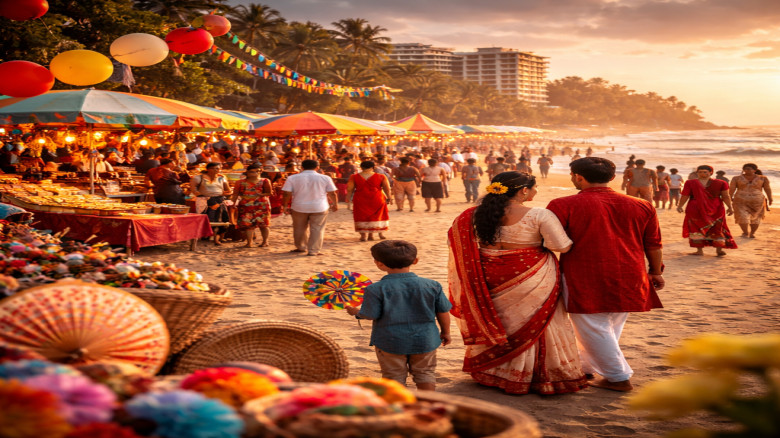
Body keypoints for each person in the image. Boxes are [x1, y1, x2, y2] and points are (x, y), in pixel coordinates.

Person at [448, 171, 588, 395]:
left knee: (501, 320)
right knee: (538, 322)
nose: (535, 191)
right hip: (531, 275)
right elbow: (561, 246)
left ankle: (494, 371)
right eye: (534, 187)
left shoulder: (473, 215)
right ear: (524, 190)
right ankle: (533, 376)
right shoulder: (539, 215)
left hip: (487, 276)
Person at [547, 157, 664, 392]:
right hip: (631, 272)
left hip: (585, 273)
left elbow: (550, 242)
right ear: (612, 177)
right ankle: (586, 367)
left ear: (578, 176)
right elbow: (653, 244)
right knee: (610, 324)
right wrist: (654, 271)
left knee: (592, 325)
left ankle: (618, 377)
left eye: (573, 175)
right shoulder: (642, 205)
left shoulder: (562, 204)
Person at [346, 240, 452, 391]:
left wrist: (355, 312)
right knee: (425, 373)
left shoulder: (375, 289)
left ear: (379, 264)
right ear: (415, 261)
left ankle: (398, 405)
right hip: (425, 339)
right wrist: (446, 332)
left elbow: (370, 314)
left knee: (393, 376)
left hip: (390, 341)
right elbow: (442, 311)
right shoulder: (432, 285)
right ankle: (429, 403)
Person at [281, 159, 338, 256]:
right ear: (317, 167)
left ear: (302, 167)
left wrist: (285, 206)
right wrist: (335, 204)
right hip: (319, 207)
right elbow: (332, 193)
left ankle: (301, 247)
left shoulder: (292, 178)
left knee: (299, 228)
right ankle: (313, 250)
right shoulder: (325, 178)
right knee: (317, 228)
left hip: (299, 206)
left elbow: (287, 193)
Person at [677, 165, 737, 256]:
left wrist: (730, 207)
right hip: (695, 208)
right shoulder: (690, 183)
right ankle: (699, 251)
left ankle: (719, 250)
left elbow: (725, 196)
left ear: (710, 173)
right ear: (697, 173)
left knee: (718, 227)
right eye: (700, 172)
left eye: (705, 172)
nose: (702, 174)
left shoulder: (721, 183)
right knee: (695, 228)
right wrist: (680, 205)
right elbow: (685, 195)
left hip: (716, 208)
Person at [347, 161, 391, 242]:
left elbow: (350, 189)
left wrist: (348, 200)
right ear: (373, 167)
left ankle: (363, 235)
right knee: (377, 216)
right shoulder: (381, 176)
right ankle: (371, 235)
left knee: (361, 216)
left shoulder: (354, 176)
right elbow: (387, 188)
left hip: (360, 199)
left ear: (361, 167)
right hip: (377, 198)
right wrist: (389, 197)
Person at [231, 164, 273, 248]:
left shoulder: (265, 181)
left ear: (260, 172)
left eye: (256, 171)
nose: (254, 173)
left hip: (261, 205)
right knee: (247, 224)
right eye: (251, 171)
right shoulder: (240, 182)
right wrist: (233, 203)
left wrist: (261, 194)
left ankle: (265, 241)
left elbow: (270, 193)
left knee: (264, 224)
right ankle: (249, 242)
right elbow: (235, 194)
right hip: (246, 205)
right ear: (247, 172)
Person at [191, 162, 232, 246]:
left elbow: (228, 190)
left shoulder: (222, 178)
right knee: (206, 218)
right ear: (208, 169)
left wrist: (223, 194)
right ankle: (204, 236)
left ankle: (216, 238)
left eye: (218, 168)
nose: (217, 170)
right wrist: (203, 195)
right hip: (204, 200)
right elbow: (193, 190)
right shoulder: (198, 178)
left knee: (220, 219)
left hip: (218, 200)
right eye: (215, 168)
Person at [729, 163, 773, 238]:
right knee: (741, 216)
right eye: (745, 169)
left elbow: (767, 189)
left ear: (754, 170)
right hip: (740, 200)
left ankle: (752, 233)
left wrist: (770, 198)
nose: (747, 170)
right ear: (743, 170)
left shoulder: (763, 178)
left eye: (749, 169)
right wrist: (729, 197)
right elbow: (732, 188)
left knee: (756, 217)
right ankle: (745, 232)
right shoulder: (736, 178)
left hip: (757, 200)